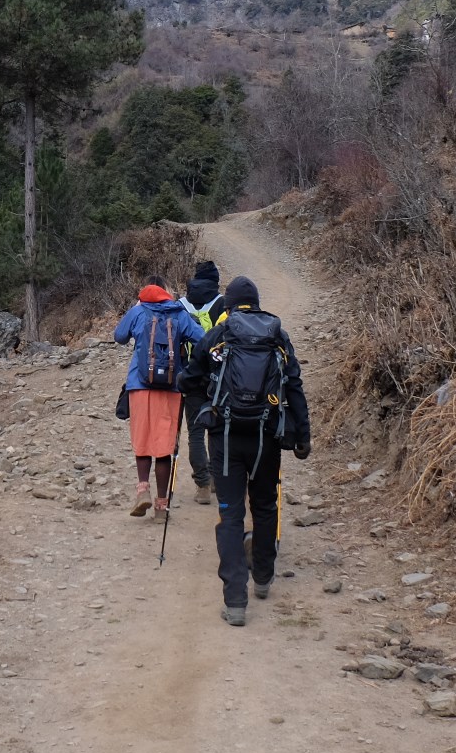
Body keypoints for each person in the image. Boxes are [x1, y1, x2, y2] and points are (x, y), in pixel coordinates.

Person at [180, 275, 311, 626]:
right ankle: (264, 578)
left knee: (231, 513)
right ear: (256, 301)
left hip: (225, 438)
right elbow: (294, 385)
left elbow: (190, 377)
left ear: (230, 303)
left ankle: (236, 601)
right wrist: (303, 436)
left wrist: (199, 393)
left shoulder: (221, 333)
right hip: (267, 436)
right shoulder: (277, 334)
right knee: (266, 506)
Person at [112, 279, 204, 517]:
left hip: (139, 385)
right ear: (166, 293)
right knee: (164, 445)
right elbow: (202, 340)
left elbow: (119, 336)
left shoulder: (138, 310)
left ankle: (142, 489)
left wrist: (135, 311)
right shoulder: (179, 313)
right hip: (171, 388)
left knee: (142, 439)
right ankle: (161, 505)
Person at [177, 261, 222, 504]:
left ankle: (202, 486)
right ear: (215, 281)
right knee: (216, 430)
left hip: (190, 375)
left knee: (195, 432)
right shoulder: (224, 304)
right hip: (219, 378)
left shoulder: (180, 305)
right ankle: (215, 478)